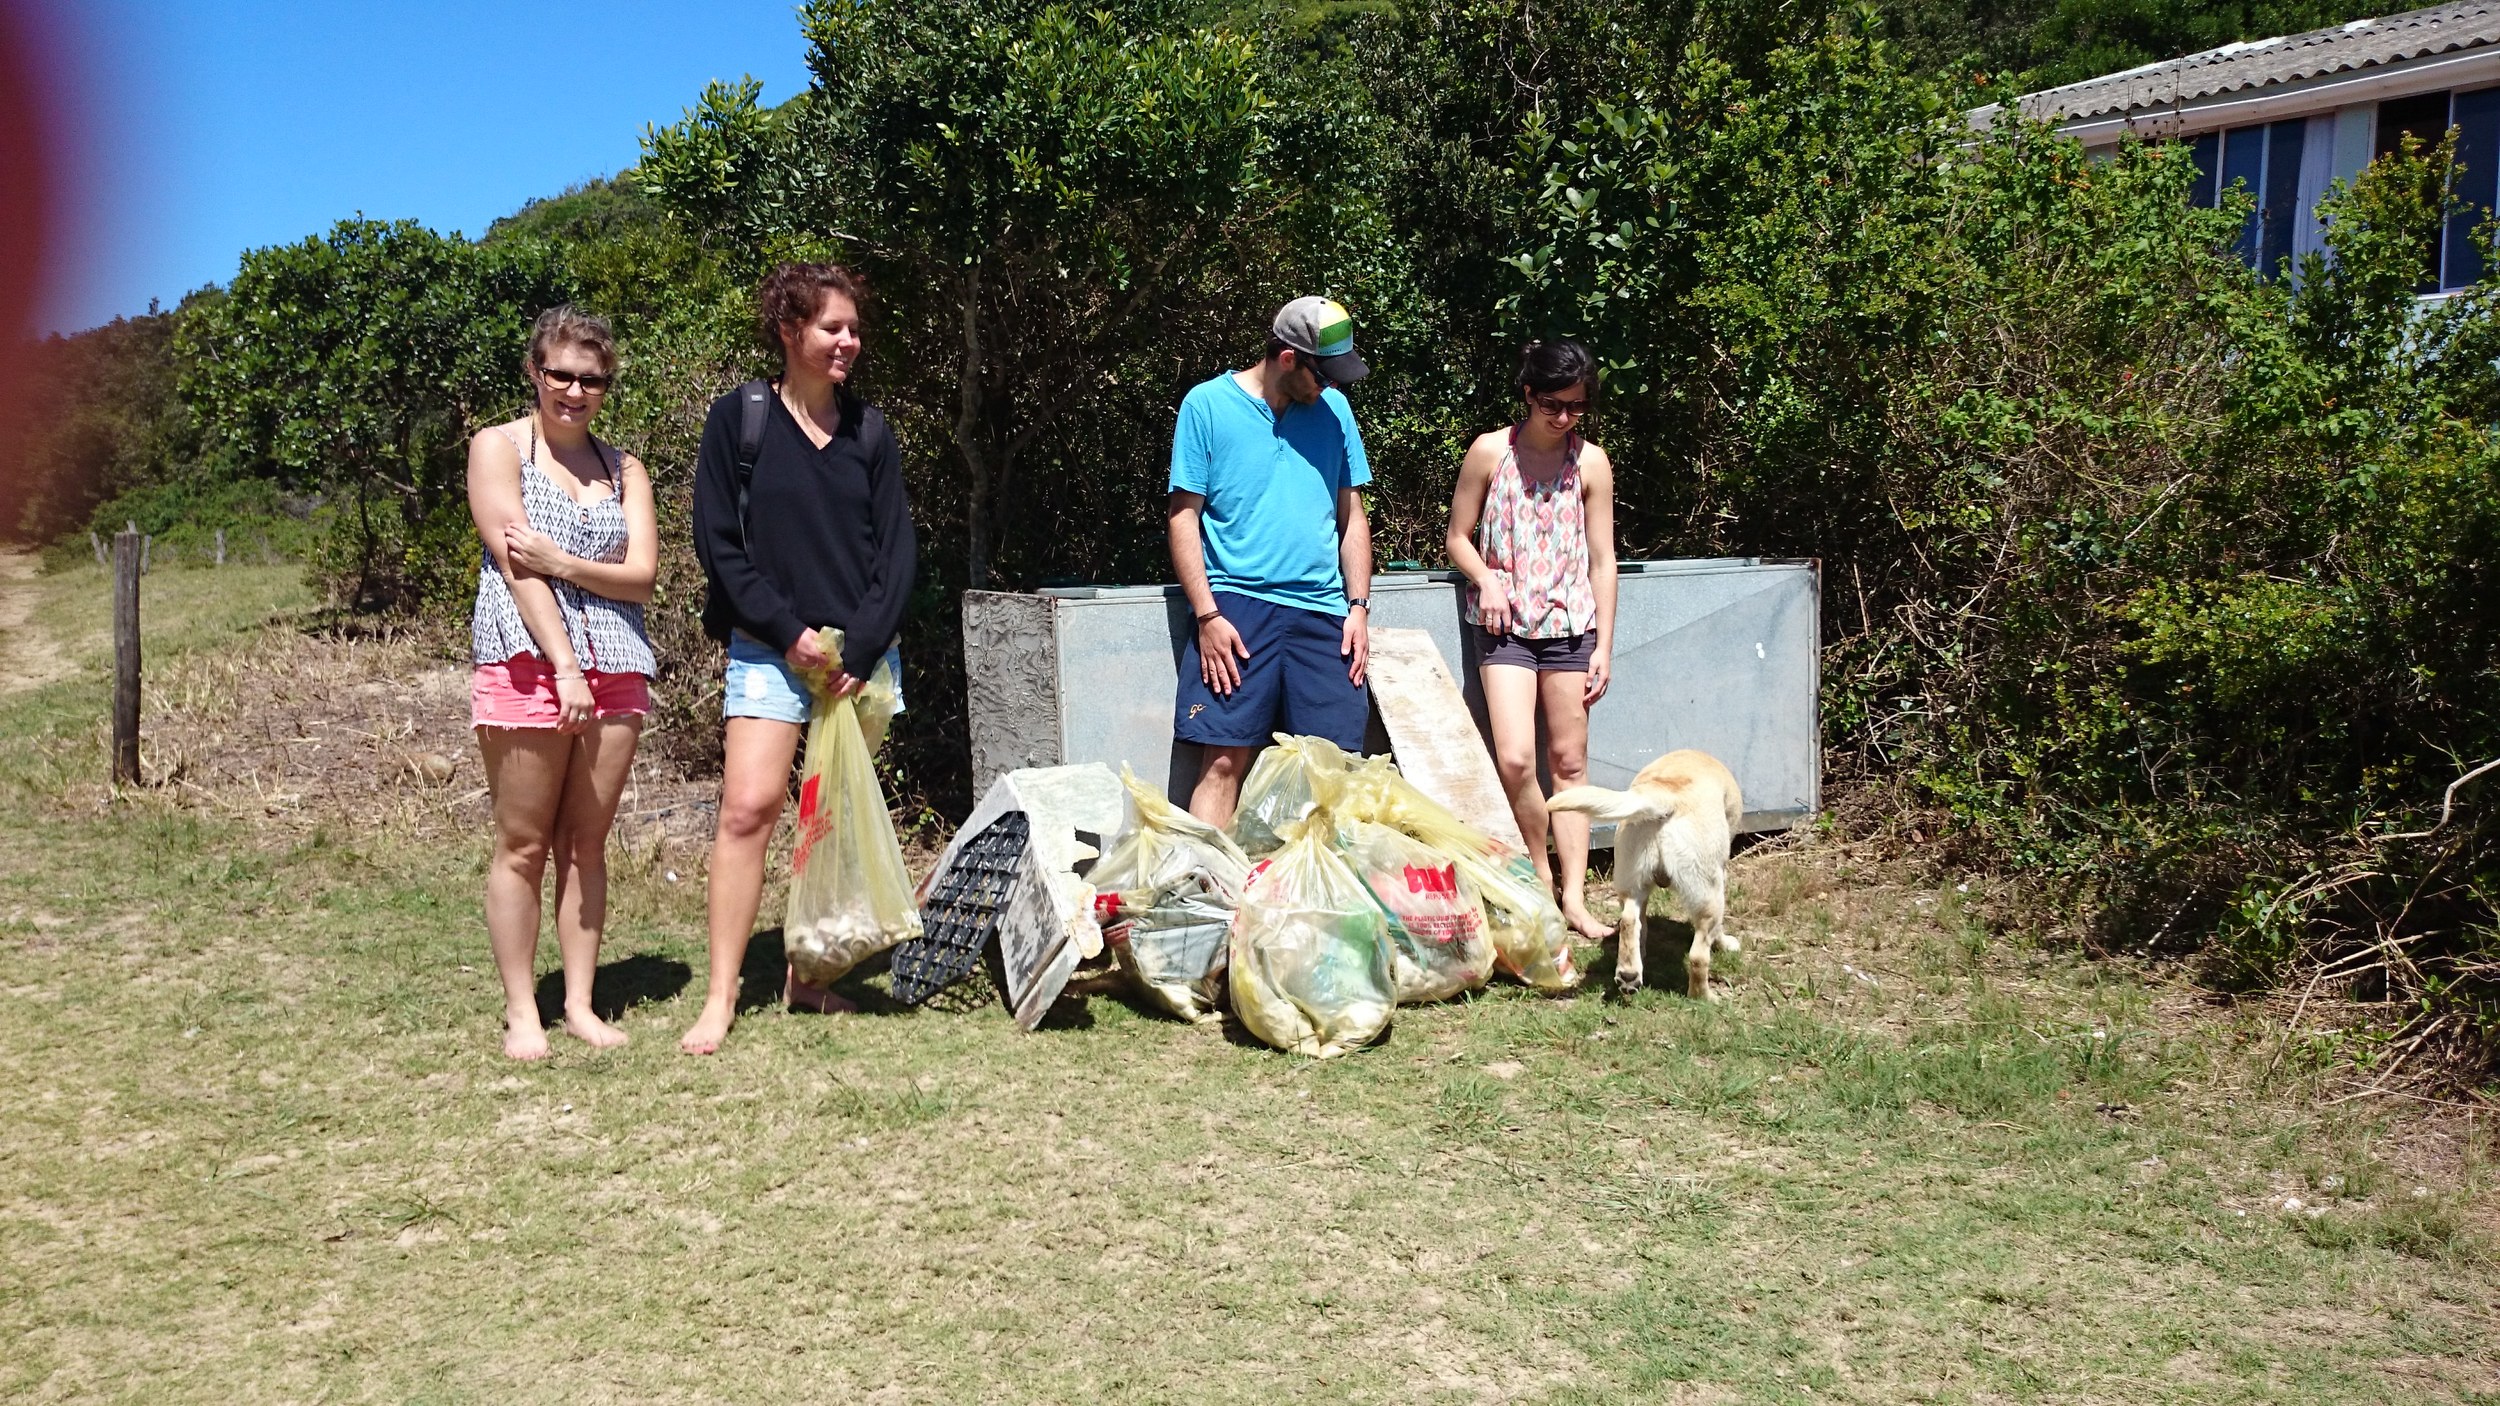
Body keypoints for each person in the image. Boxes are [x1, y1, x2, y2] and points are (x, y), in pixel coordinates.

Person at [681, 262, 917, 1055]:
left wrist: (865, 645)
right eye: (831, 327)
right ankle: (719, 998)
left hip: (855, 663)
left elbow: (897, 553)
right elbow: (720, 545)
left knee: (828, 826)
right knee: (748, 810)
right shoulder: (738, 421)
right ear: (789, 330)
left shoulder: (870, 431)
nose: (848, 341)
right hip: (768, 650)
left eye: (854, 328)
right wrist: (790, 634)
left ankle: (808, 977)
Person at [465, 306, 658, 1060]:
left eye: (592, 379)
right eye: (561, 375)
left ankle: (579, 1002)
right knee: (522, 844)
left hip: (619, 666)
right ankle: (523, 1010)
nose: (575, 391)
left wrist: (566, 563)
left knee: (587, 844)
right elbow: (515, 564)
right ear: (535, 372)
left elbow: (640, 578)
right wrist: (565, 666)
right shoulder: (499, 447)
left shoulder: (624, 468)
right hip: (526, 662)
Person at [1169, 296, 1376, 827]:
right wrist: (1207, 615)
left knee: (1336, 771)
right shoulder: (1206, 406)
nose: (1330, 386)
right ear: (1288, 358)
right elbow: (1183, 517)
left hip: (1323, 610)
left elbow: (1352, 517)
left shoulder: (1336, 413)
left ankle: (1325, 902)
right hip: (1236, 610)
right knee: (1221, 760)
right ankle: (1207, 897)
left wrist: (1358, 607)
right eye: (1322, 374)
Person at [1446, 338, 1619, 942]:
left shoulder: (1591, 463)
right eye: (1553, 404)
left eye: (1576, 406)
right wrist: (1486, 579)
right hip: (1505, 628)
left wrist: (1603, 643)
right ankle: (1538, 876)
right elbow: (1458, 536)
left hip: (1572, 626)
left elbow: (1603, 558)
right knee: (1517, 758)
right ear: (1527, 394)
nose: (1564, 417)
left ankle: (1575, 896)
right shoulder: (1491, 452)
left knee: (1569, 764)